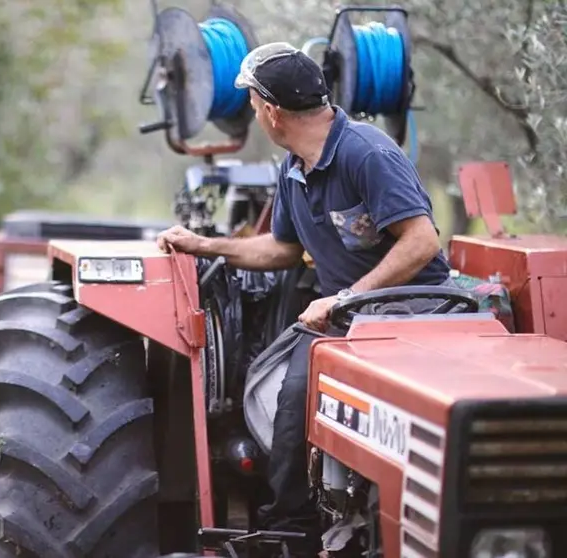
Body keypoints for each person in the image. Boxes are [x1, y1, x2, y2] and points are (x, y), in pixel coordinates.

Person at [156, 43, 453, 555]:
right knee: (280, 397)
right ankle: (293, 526)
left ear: (271, 111)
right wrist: (205, 246)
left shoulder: (368, 153)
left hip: (412, 312)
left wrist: (343, 299)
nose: (253, 114)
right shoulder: (293, 169)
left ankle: (300, 526)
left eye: (251, 105)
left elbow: (423, 241)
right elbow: (282, 249)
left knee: (300, 390)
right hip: (346, 318)